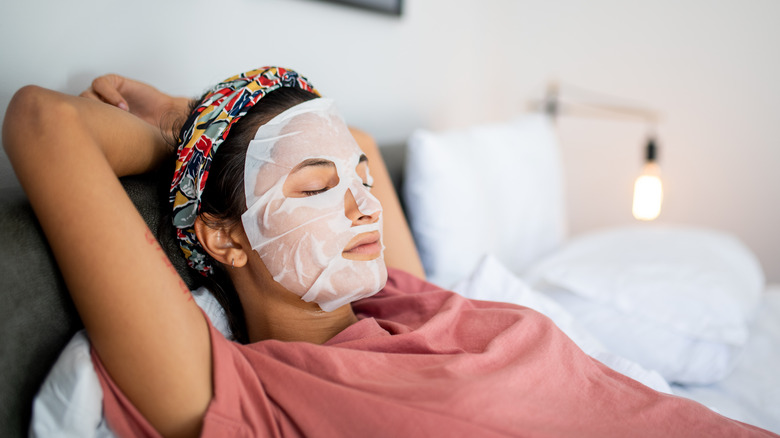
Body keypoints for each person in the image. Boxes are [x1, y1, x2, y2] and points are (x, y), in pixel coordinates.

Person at [3, 67, 776, 438]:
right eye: (315, 189)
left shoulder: (402, 296)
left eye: (363, 185)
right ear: (225, 237)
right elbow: (43, 122)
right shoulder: (242, 395)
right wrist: (191, 138)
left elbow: (359, 143)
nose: (363, 203)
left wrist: (204, 118)